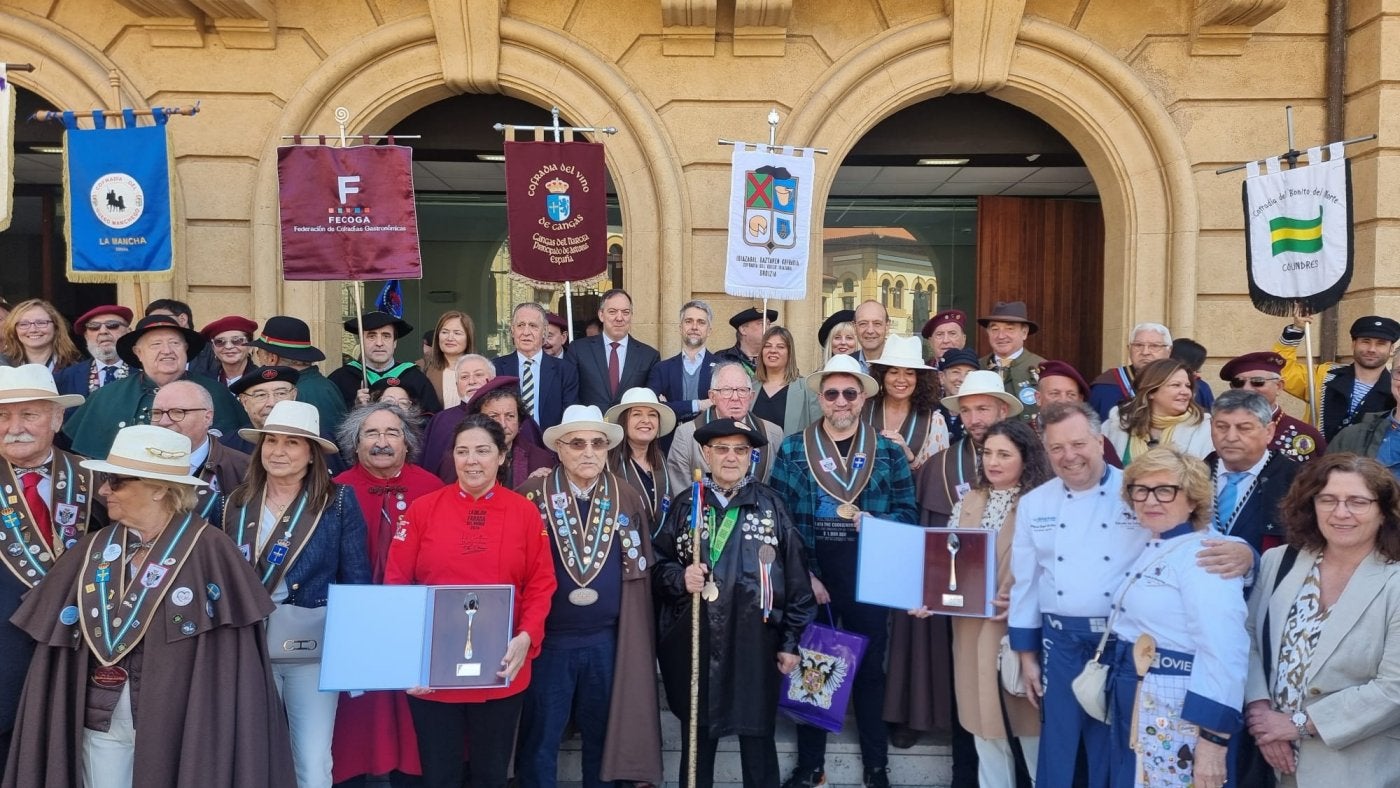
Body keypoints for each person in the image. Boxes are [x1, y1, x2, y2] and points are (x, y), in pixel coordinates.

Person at [3, 425, 295, 788]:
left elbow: (229, 664)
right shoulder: (92, 548)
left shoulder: (210, 551)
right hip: (100, 717)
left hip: (180, 727)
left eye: (119, 481)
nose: (105, 489)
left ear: (160, 489)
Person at [1008, 402, 1255, 788]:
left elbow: (1202, 542)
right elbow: (1026, 582)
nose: (1069, 456)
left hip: (1129, 650)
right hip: (1066, 644)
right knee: (1063, 747)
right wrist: (1026, 653)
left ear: (1099, 439)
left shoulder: (1133, 486)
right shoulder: (1035, 503)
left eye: (1078, 444)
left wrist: (1247, 553)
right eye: (1056, 448)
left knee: (1117, 755)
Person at [385, 414, 557, 788]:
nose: (472, 460)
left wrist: (527, 636)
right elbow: (397, 583)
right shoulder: (423, 510)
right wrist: (408, 660)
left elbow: (541, 583)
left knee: (491, 774)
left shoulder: (524, 512)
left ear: (502, 456)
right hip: (433, 669)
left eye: (482, 450)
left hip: (501, 665)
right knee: (439, 775)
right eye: (463, 451)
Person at [770, 353, 918, 788]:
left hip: (870, 578)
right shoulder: (795, 448)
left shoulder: (888, 453)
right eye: (831, 393)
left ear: (861, 399)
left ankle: (877, 766)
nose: (840, 401)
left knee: (871, 673)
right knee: (811, 670)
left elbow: (909, 515)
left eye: (849, 393)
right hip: (814, 579)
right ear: (820, 398)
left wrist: (881, 525)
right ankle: (809, 766)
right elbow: (782, 521)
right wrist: (806, 577)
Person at [653, 416, 816, 788]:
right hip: (698, 643)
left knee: (758, 740)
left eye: (740, 450)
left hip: (756, 643)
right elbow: (657, 566)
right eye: (721, 449)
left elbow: (797, 583)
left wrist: (791, 643)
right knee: (699, 746)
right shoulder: (687, 505)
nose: (730, 458)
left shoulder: (771, 506)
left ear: (752, 458)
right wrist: (680, 578)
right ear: (706, 454)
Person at [223, 400, 372, 788]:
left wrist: (353, 656)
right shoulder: (233, 503)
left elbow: (356, 579)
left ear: (311, 454)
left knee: (312, 757)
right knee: (252, 756)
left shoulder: (338, 502)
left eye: (292, 442)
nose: (278, 451)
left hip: (312, 649)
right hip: (247, 646)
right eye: (271, 441)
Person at [515, 405, 664, 787]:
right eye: (577, 442)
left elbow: (640, 570)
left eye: (598, 443)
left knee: (603, 740)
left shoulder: (626, 496)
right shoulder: (531, 494)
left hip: (606, 641)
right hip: (548, 643)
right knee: (541, 740)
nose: (588, 451)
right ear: (559, 449)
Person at [1243, 454, 1400, 785]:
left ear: (1384, 511)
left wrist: (1296, 724)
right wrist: (1261, 716)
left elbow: (1393, 688)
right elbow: (1249, 639)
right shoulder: (1278, 562)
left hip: (1357, 768)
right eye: (1327, 499)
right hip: (1271, 761)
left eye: (1358, 501)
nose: (1340, 513)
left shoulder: (1395, 581)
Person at [887, 368, 1019, 760]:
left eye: (983, 408)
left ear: (1002, 410)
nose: (975, 419)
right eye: (967, 410)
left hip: (1009, 596)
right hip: (954, 590)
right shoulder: (938, 467)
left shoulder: (1029, 465)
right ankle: (932, 717)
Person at [910, 419, 1050, 787]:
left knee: (1032, 736)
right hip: (970, 630)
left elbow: (1056, 567)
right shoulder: (968, 499)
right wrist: (930, 597)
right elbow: (948, 563)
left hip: (1017, 633)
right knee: (985, 732)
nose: (994, 462)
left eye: (1005, 454)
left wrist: (1026, 600)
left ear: (1026, 458)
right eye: (988, 453)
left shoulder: (1043, 502)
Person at [1104, 447, 1248, 788]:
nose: (1151, 500)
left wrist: (1213, 743)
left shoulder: (1206, 557)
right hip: (1139, 690)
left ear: (1193, 499)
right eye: (1141, 489)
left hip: (1179, 699)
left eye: (1165, 490)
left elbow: (1224, 651)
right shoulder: (1149, 543)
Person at [330, 402, 443, 787]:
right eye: (371, 434)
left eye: (392, 433)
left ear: (407, 442)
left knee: (415, 717)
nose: (382, 442)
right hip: (356, 625)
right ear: (355, 444)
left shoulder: (432, 489)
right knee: (358, 719)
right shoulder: (336, 491)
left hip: (416, 623)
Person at [0, 365, 102, 768]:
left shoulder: (96, 477)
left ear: (57, 418)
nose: (15, 427)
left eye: (30, 414)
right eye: (4, 416)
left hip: (77, 648)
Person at [62, 314, 249, 459]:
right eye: (156, 344)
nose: (167, 350)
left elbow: (235, 453)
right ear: (138, 352)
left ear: (185, 349)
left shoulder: (215, 393)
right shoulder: (106, 397)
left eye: (175, 343)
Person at [1203, 389, 1303, 555]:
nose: (1231, 437)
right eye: (1221, 427)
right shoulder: (1194, 473)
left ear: (1269, 432)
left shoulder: (1296, 480)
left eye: (1244, 428)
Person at [1275, 312, 1399, 441]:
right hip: (1318, 458)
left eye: (1381, 343)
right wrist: (1296, 330)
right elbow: (1282, 370)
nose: (1372, 349)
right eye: (1365, 341)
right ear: (1353, 344)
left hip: (1368, 460)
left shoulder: (1396, 389)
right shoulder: (1325, 375)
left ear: (1391, 349)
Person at [666, 361, 784, 493]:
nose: (735, 397)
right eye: (726, 390)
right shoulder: (686, 435)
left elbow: (775, 492)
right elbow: (680, 496)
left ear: (751, 396)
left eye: (742, 391)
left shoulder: (773, 433)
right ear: (712, 397)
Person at [152, 380, 250, 526]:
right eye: (157, 413)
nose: (163, 421)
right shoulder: (130, 467)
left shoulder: (244, 470)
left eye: (178, 412)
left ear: (208, 417)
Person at [248, 315, 348, 439]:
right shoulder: (324, 386)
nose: (258, 358)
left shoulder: (294, 394)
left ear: (272, 358)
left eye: (259, 353)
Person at [1089, 322, 1209, 420]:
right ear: (1129, 349)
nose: (1145, 352)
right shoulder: (1105, 386)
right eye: (1138, 345)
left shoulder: (1194, 387)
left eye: (1154, 346)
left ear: (1169, 350)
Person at [1219, 351, 1325, 462]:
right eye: (1238, 382)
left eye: (1258, 382)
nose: (1247, 389)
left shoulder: (1305, 433)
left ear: (1279, 386)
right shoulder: (1219, 431)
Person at [1104, 358, 1213, 464]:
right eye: (1176, 385)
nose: (1185, 392)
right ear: (1151, 392)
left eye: (1188, 386)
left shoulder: (1204, 429)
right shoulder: (1118, 424)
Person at [866, 334, 950, 470]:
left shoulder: (934, 421)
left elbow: (936, 477)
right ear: (882, 376)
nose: (901, 379)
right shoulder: (862, 410)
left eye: (909, 373)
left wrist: (910, 457)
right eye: (893, 372)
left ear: (919, 379)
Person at [329, 312, 443, 413]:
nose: (379, 343)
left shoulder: (415, 378)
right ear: (361, 343)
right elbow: (330, 423)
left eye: (386, 336)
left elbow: (430, 421)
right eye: (371, 336)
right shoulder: (340, 379)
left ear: (394, 343)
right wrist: (355, 408)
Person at [567, 289, 660, 410]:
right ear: (601, 315)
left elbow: (649, 402)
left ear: (631, 315)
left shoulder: (649, 356)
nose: (619, 318)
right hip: (591, 426)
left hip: (627, 427)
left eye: (625, 312)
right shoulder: (578, 350)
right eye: (612, 312)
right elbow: (570, 397)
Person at [492, 302, 579, 431]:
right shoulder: (495, 368)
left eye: (533, 326)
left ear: (544, 332)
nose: (526, 332)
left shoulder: (565, 371)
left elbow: (570, 417)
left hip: (549, 447)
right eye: (520, 325)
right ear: (512, 331)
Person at [463, 376, 554, 487]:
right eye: (493, 416)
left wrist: (531, 488)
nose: (503, 424)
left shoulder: (539, 459)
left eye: (510, 416)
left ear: (519, 421)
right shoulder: (461, 458)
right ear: (477, 420)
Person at [607, 387, 677, 527]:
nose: (646, 420)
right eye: (637, 414)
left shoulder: (660, 459)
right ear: (624, 421)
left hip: (661, 546)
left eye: (652, 415)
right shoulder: (608, 462)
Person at [420, 354, 497, 480]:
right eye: (464, 377)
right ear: (457, 385)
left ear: (493, 380)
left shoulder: (508, 417)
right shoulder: (441, 421)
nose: (472, 381)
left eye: (478, 375)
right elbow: (428, 470)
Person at [647, 299, 719, 426]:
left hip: (711, 439)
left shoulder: (722, 367)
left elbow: (722, 405)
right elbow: (654, 408)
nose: (694, 327)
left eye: (701, 322)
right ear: (681, 328)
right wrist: (700, 404)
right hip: (671, 440)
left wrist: (671, 406)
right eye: (688, 321)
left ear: (709, 331)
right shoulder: (662, 369)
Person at [978, 300, 1046, 419]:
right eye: (995, 329)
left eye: (1010, 329)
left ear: (1024, 333)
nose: (1001, 336)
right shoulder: (978, 368)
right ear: (988, 333)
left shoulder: (1042, 367)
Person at [754, 325, 821, 437]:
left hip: (791, 453)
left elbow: (817, 433)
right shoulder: (750, 388)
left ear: (790, 353)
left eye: (780, 347)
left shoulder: (807, 389)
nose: (773, 351)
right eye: (767, 346)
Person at [54, 304, 133, 397]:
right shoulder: (65, 378)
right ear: (86, 336)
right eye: (94, 327)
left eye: (112, 325)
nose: (103, 331)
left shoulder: (146, 372)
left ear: (128, 332)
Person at [226, 366, 300, 452]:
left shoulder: (314, 442)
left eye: (281, 393)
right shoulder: (227, 448)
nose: (272, 403)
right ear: (244, 402)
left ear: (294, 396)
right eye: (261, 395)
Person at [0, 298, 81, 371]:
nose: (33, 330)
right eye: (23, 324)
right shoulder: (3, 364)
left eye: (41, 323)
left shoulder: (77, 365)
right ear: (14, 329)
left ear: (56, 327)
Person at [417, 310, 475, 409]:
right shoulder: (422, 367)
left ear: (468, 338)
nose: (450, 338)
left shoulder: (481, 368)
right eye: (444, 332)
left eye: (457, 333)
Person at [192, 315, 257, 386]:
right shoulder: (204, 382)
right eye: (220, 341)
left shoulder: (262, 379)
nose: (228, 346)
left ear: (250, 345)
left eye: (236, 340)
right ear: (213, 348)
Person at [936, 347, 981, 443]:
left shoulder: (983, 414)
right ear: (942, 377)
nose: (962, 379)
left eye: (969, 373)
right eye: (956, 372)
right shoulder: (928, 411)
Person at [714, 306, 777, 374]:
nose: (767, 328)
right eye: (761, 324)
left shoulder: (773, 357)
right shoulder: (723, 358)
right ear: (743, 330)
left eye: (768, 324)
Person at [852, 300, 890, 372]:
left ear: (887, 326)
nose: (870, 331)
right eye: (863, 324)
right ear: (854, 327)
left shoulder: (901, 366)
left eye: (877, 323)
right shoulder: (846, 365)